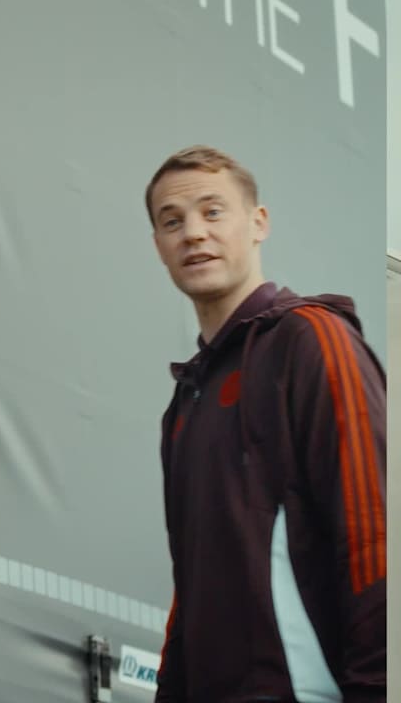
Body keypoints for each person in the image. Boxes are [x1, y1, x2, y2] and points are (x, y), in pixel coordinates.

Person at [146, 145, 385, 701]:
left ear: (259, 223)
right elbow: (190, 589)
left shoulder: (312, 338)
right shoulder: (186, 402)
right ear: (158, 246)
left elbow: (374, 529)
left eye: (213, 211)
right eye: (172, 221)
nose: (194, 233)